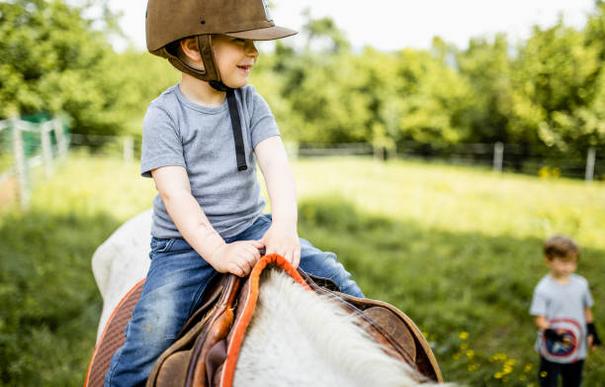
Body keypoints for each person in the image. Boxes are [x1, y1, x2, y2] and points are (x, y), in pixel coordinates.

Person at [104, 0, 364, 386]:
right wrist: (218, 251)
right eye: (242, 41)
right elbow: (177, 196)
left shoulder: (250, 101)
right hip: (184, 247)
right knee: (150, 334)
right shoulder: (164, 114)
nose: (254, 52)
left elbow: (276, 165)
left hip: (250, 225)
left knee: (338, 281)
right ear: (194, 46)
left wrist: (284, 226)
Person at [529, 235, 601, 387]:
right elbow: (538, 318)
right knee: (548, 380)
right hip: (551, 345)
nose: (568, 267)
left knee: (573, 380)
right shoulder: (543, 289)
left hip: (576, 345)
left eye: (572, 262)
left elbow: (586, 309)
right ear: (548, 260)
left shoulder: (581, 284)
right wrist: (552, 334)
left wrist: (591, 331)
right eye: (563, 262)